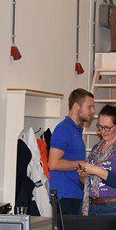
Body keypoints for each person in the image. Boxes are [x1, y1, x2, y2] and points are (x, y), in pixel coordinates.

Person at [49, 88, 95, 216]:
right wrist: (81, 163)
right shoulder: (63, 129)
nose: (93, 111)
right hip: (65, 195)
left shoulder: (75, 130)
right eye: (89, 107)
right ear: (76, 106)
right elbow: (53, 164)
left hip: (75, 194)